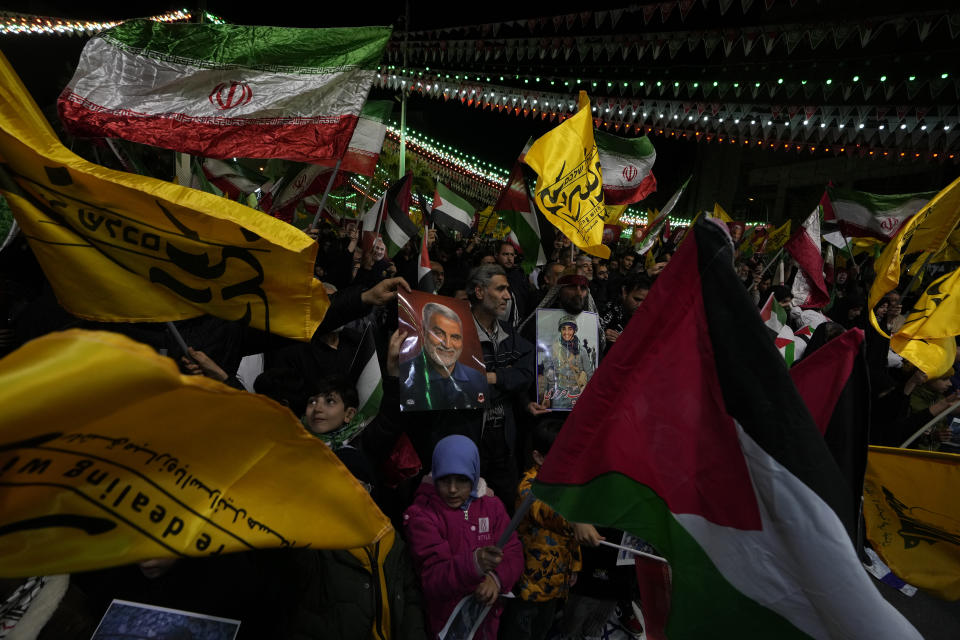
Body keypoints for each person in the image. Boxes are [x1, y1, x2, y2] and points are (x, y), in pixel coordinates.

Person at [279, 447, 429, 640]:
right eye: (341, 486)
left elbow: (411, 602)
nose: (351, 495)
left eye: (359, 487)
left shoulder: (391, 541)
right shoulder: (313, 541)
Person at [403, 436, 523, 640]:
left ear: (474, 475)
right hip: (445, 624)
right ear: (435, 475)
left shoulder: (492, 506)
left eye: (462, 479)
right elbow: (433, 578)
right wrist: (474, 564)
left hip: (485, 621)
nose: (452, 489)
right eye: (444, 479)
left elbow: (513, 552)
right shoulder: (422, 515)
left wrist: (496, 579)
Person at [501, 419, 581, 640]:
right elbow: (545, 512)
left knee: (541, 631)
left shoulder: (568, 484)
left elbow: (571, 537)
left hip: (556, 585)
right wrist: (577, 521)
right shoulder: (529, 485)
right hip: (528, 585)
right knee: (519, 632)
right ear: (538, 457)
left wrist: (574, 565)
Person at [467, 264, 536, 509]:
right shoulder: (458, 334)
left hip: (504, 443)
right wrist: (508, 377)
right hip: (469, 440)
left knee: (503, 507)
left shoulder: (509, 334)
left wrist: (495, 378)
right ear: (479, 292)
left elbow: (528, 372)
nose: (508, 295)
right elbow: (463, 384)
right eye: (501, 289)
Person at [399, 302, 487, 411]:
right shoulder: (401, 376)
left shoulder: (478, 379)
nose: (447, 345)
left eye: (455, 337)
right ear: (424, 331)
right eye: (439, 333)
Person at [539, 315, 596, 410]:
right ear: (560, 330)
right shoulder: (553, 350)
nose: (566, 332)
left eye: (570, 329)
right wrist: (547, 396)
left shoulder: (582, 350)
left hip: (578, 392)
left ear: (574, 330)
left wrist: (590, 395)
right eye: (563, 329)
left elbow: (589, 374)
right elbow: (548, 374)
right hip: (560, 394)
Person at [599, 274, 652, 354]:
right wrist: (602, 336)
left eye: (645, 301)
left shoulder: (648, 318)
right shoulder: (608, 311)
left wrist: (623, 343)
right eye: (637, 299)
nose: (641, 305)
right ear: (624, 292)